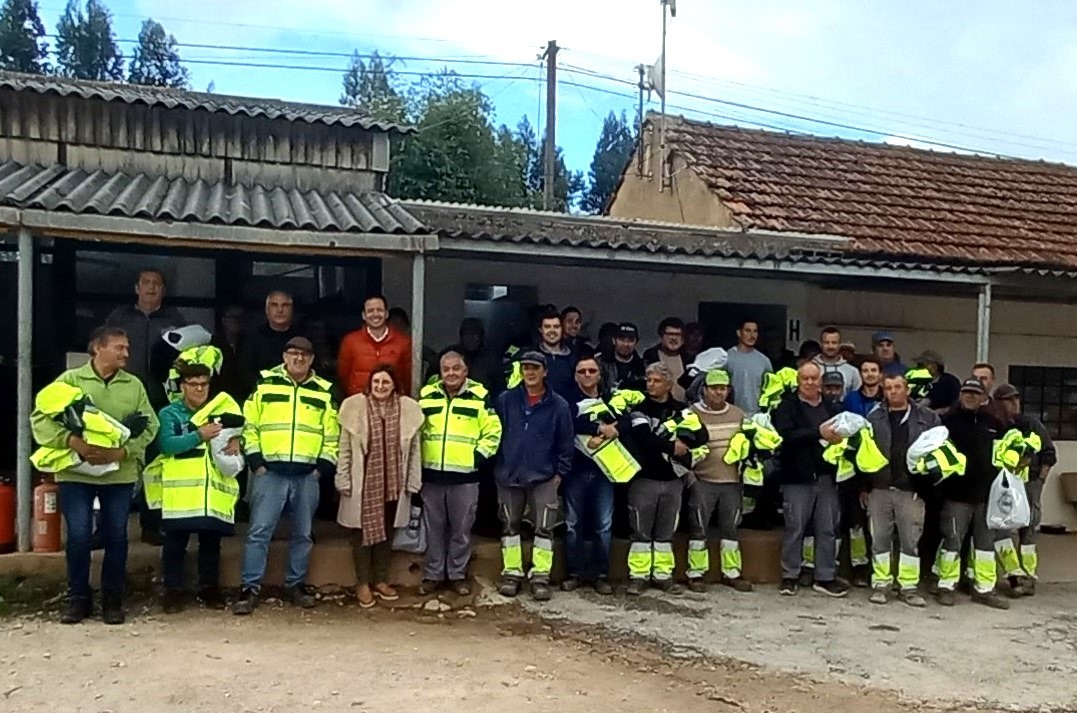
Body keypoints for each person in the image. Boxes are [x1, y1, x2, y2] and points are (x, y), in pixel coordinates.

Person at [30, 326, 159, 625]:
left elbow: (150, 426)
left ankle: (113, 600)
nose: (126, 353)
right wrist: (72, 441)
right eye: (119, 347)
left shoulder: (134, 385)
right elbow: (39, 419)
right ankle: (77, 598)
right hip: (76, 473)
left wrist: (125, 453)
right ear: (97, 348)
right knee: (77, 536)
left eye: (127, 348)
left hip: (119, 475)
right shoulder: (70, 380)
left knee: (117, 537)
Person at [234, 336, 340, 615]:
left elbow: (332, 436)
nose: (299, 359)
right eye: (293, 354)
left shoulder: (324, 392)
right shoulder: (265, 384)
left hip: (307, 476)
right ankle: (250, 587)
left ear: (312, 359)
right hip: (270, 472)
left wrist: (323, 468)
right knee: (259, 533)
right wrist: (256, 462)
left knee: (303, 534)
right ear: (284, 357)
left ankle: (296, 584)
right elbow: (250, 426)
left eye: (305, 355)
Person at [152, 363, 243, 613]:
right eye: (193, 384)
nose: (200, 389)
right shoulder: (170, 413)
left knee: (211, 546)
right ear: (182, 386)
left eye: (204, 384)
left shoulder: (219, 410)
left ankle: (209, 590)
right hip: (180, 493)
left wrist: (237, 437)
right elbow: (167, 444)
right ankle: (172, 592)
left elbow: (238, 428)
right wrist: (198, 436)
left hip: (211, 493)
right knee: (174, 546)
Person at [335, 364, 422, 608]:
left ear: (394, 384)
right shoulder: (354, 408)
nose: (380, 387)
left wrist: (414, 481)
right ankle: (363, 582)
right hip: (363, 483)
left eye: (385, 382)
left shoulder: (407, 411)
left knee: (387, 533)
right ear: (369, 385)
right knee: (361, 534)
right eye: (376, 383)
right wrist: (343, 479)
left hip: (393, 483)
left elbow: (415, 451)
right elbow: (344, 449)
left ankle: (381, 580)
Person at [418, 351, 502, 596]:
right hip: (432, 476)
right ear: (440, 372)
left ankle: (457, 575)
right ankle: (433, 575)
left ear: (466, 371)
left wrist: (478, 457)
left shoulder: (480, 397)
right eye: (446, 369)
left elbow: (494, 431)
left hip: (465, 478)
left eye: (456, 368)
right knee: (433, 529)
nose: (451, 373)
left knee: (461, 531)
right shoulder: (426, 396)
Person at [493, 351, 574, 601]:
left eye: (535, 368)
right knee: (509, 526)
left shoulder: (558, 404)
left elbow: (566, 442)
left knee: (544, 529)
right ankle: (512, 573)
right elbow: (495, 433)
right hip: (509, 475)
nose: (529, 372)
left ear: (545, 371)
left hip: (545, 477)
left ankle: (540, 576)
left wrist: (560, 473)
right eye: (525, 367)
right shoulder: (506, 400)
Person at [624, 363, 708, 596]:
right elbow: (644, 440)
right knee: (640, 532)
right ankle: (638, 577)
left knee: (665, 533)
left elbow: (702, 435)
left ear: (669, 384)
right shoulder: (639, 409)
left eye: (656, 381)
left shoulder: (682, 409)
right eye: (648, 380)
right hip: (644, 479)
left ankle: (663, 576)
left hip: (673, 480)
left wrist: (688, 443)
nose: (650, 384)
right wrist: (674, 445)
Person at [773, 362, 848, 597]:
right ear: (798, 380)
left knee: (827, 528)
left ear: (820, 381)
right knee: (795, 528)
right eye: (805, 378)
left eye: (814, 378)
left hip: (826, 477)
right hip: (796, 478)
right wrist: (819, 433)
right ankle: (790, 575)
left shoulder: (831, 406)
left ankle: (825, 576)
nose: (809, 383)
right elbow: (785, 436)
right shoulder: (787, 406)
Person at [863, 373, 939, 607]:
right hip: (880, 487)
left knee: (910, 540)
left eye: (897, 387)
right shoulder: (873, 417)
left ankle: (908, 587)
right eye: (888, 388)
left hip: (912, 490)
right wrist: (864, 488)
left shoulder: (927, 418)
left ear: (907, 389)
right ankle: (881, 584)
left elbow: (938, 451)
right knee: (880, 539)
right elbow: (863, 453)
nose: (893, 391)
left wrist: (928, 486)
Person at [937, 378, 1008, 609]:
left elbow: (1005, 455)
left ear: (983, 398)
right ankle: (946, 586)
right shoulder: (946, 422)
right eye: (966, 392)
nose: (970, 396)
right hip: (956, 495)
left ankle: (985, 589)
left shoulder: (994, 423)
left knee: (985, 545)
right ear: (960, 395)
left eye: (975, 393)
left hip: (987, 497)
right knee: (952, 541)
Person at [686, 369, 752, 593]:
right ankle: (696, 574)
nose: (718, 393)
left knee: (731, 529)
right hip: (702, 480)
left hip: (732, 482)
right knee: (698, 528)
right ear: (704, 390)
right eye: (714, 388)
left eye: (722, 388)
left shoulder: (738, 414)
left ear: (728, 391)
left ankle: (732, 573)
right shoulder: (691, 414)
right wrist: (690, 478)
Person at [992, 384, 1055, 597]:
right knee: (1002, 529)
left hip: (1029, 484)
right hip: (1004, 485)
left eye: (1015, 398)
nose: (1013, 403)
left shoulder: (1030, 423)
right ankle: (1013, 576)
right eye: (1008, 399)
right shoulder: (995, 425)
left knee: (1028, 530)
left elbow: (1048, 453)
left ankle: (1029, 577)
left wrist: (1039, 482)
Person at [563, 354, 617, 595]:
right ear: (575, 376)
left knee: (603, 525)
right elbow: (568, 423)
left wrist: (615, 428)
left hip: (605, 471)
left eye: (592, 371)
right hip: (575, 469)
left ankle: (601, 575)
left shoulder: (612, 400)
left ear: (599, 374)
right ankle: (574, 573)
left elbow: (624, 422)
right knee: (572, 524)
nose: (587, 375)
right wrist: (598, 428)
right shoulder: (567, 401)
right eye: (582, 371)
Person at [105, 268, 188, 408]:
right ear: (137, 288)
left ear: (163, 290)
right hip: (124, 393)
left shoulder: (175, 318)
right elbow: (104, 349)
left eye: (156, 283)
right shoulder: (120, 317)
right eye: (146, 282)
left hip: (162, 397)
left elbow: (185, 354)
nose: (151, 287)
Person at [338, 295, 413, 398]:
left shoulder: (403, 342)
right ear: (363, 316)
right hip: (360, 402)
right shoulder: (350, 341)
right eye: (370, 311)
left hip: (392, 403)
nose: (375, 314)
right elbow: (343, 376)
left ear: (386, 314)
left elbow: (408, 378)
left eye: (380, 310)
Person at [244, 291, 305, 382]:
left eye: (285, 305)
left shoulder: (304, 338)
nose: (280, 310)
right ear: (267, 309)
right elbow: (245, 373)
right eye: (274, 305)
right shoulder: (252, 339)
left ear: (292, 309)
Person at [526, 307, 576, 402]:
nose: (552, 330)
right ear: (541, 329)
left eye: (556, 327)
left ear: (562, 329)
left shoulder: (574, 357)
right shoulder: (530, 357)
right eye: (547, 327)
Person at [725, 319, 773, 416]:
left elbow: (771, 390)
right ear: (739, 333)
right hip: (731, 414)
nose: (752, 335)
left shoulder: (764, 361)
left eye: (755, 331)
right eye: (748, 331)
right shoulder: (726, 358)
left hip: (757, 416)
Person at [643, 317, 689, 402]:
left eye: (678, 334)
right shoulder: (651, 356)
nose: (674, 338)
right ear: (661, 336)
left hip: (683, 408)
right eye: (670, 334)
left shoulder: (689, 358)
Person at [212, 305, 251, 402]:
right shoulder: (214, 345)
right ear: (224, 320)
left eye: (240, 317)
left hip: (245, 396)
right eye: (233, 317)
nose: (237, 321)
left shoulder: (251, 344)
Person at [598, 322, 647, 392]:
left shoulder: (644, 367)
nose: (626, 344)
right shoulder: (600, 364)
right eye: (621, 339)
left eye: (630, 340)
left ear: (636, 343)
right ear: (614, 340)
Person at [813, 327, 861, 397]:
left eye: (834, 342)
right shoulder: (810, 369)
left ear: (839, 345)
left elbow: (857, 398)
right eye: (826, 342)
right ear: (821, 344)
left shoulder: (852, 371)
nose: (830, 346)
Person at [454, 318, 500, 390]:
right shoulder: (451, 356)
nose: (471, 338)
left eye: (475, 334)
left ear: (481, 337)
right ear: (461, 337)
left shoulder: (491, 360)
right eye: (467, 334)